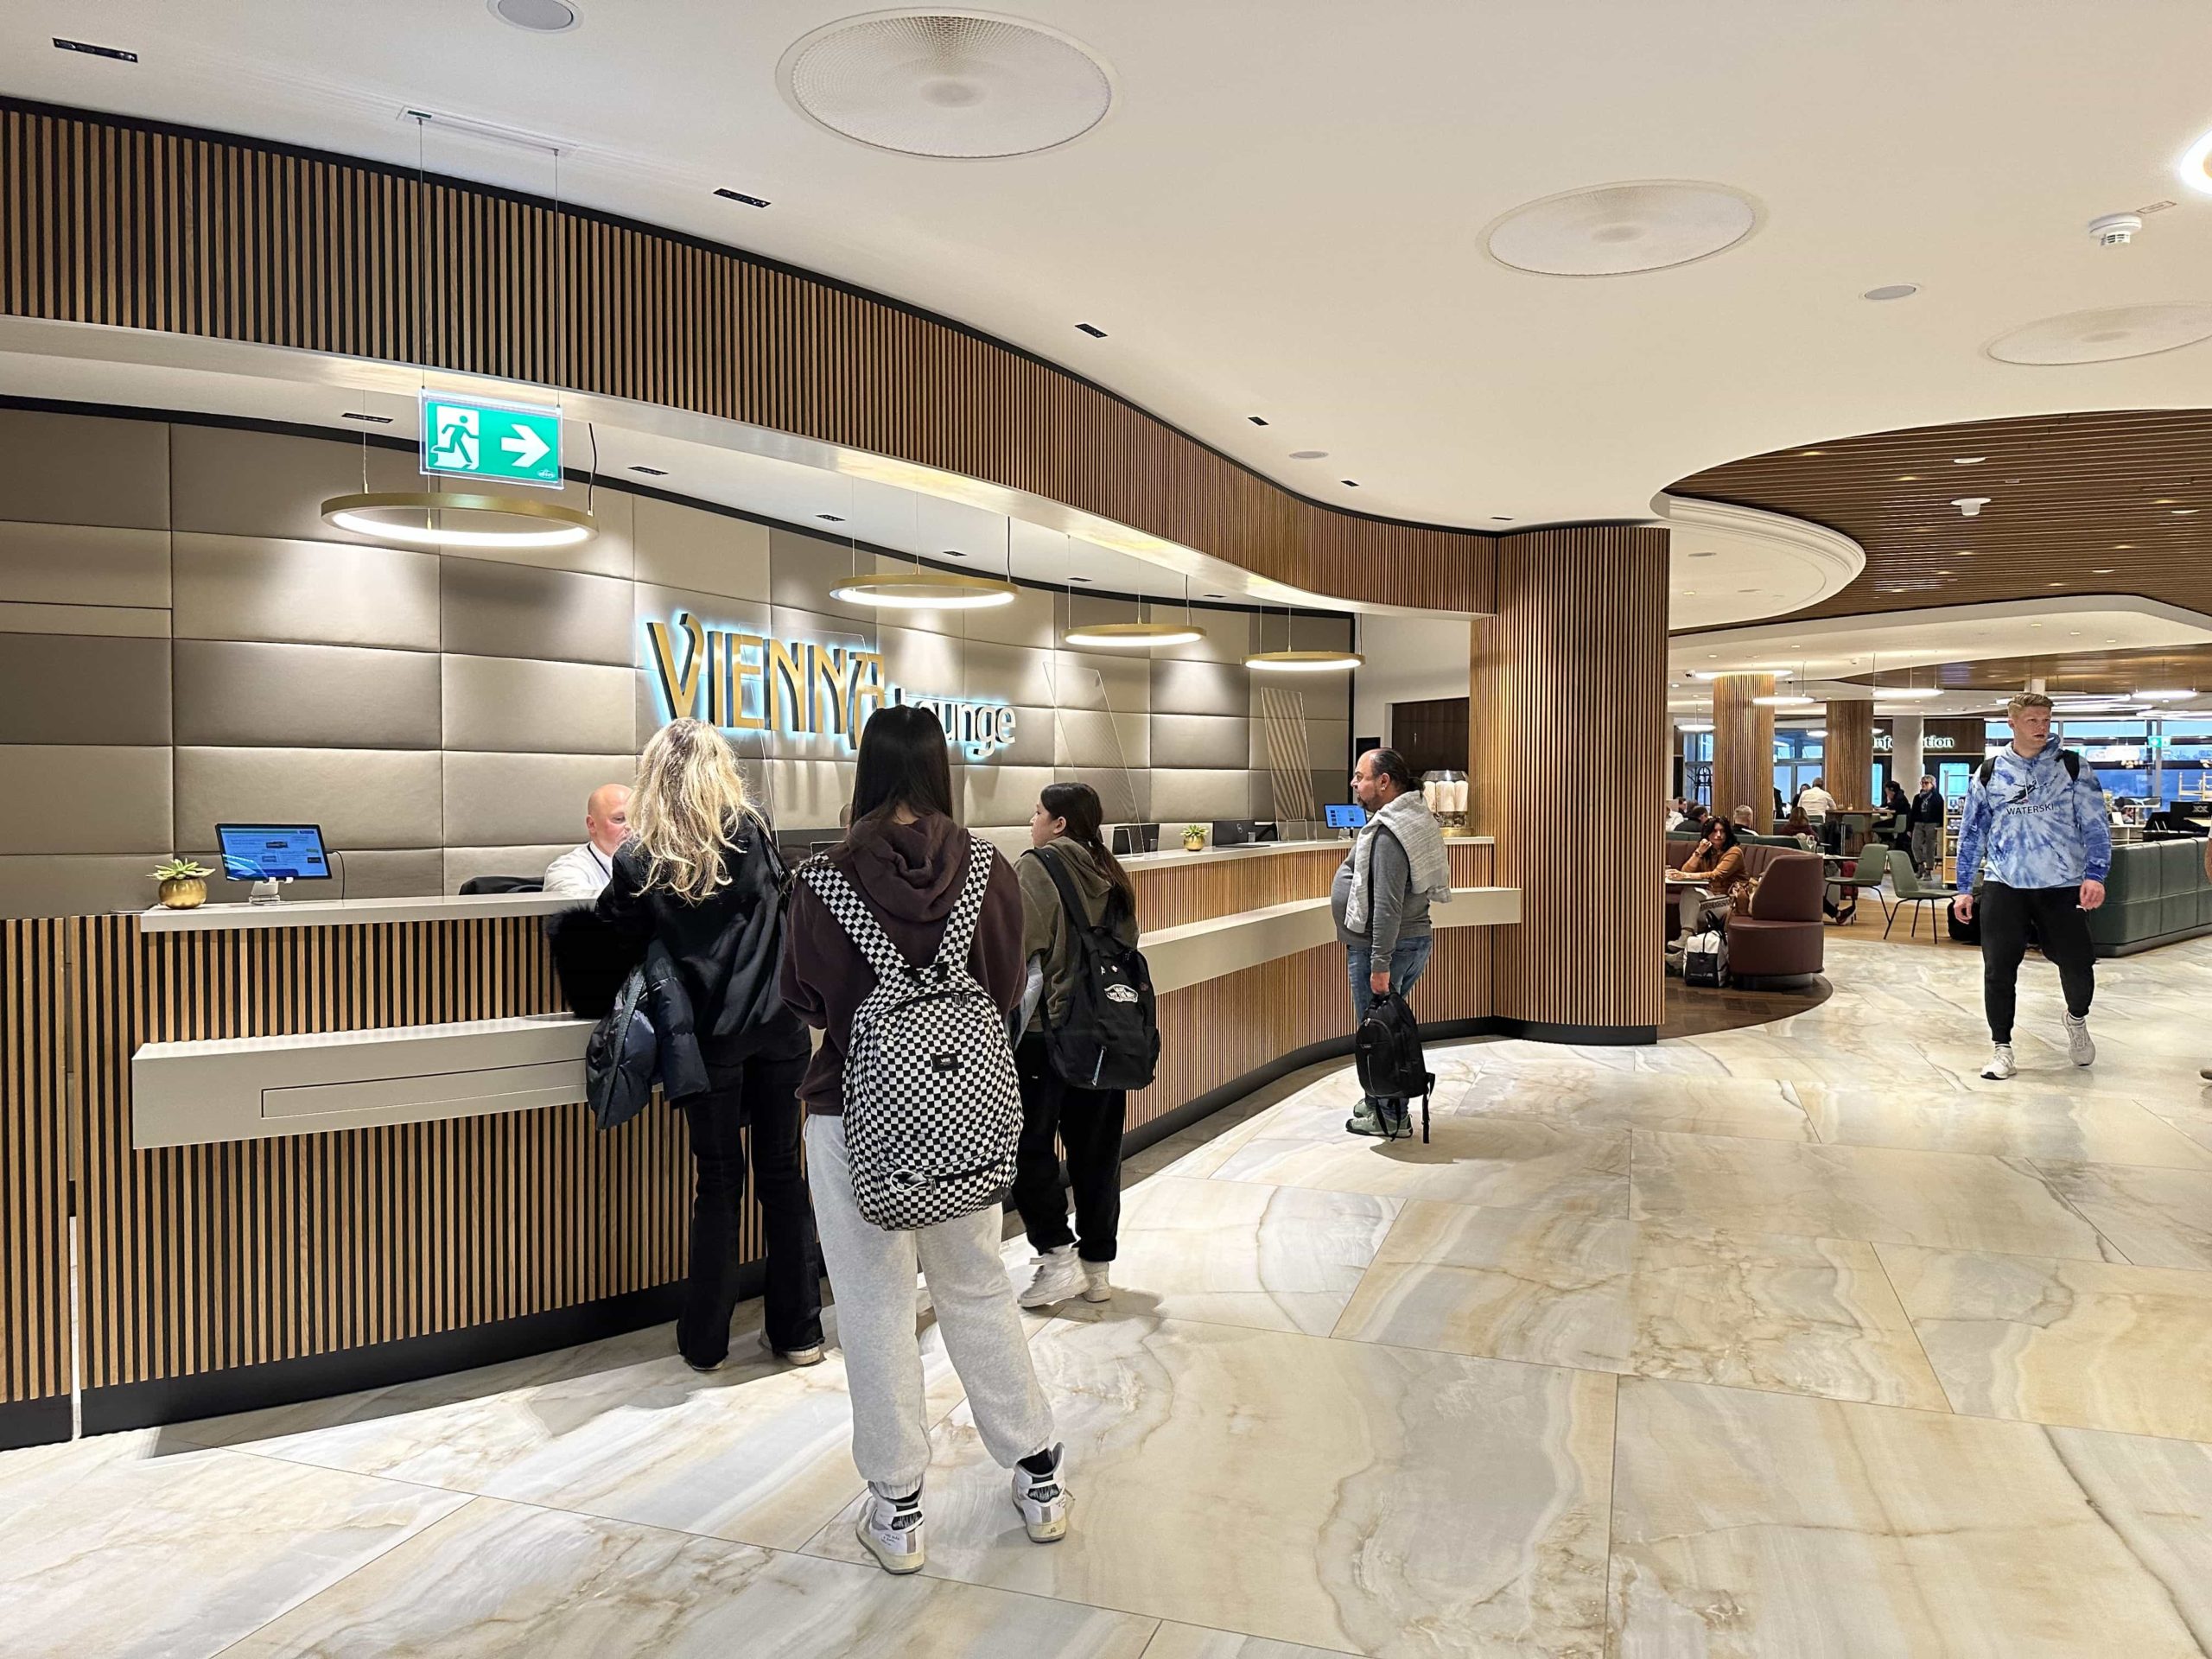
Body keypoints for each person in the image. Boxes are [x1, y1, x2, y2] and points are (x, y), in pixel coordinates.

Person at [780, 703, 1068, 1576]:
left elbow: (806, 1002)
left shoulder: (820, 879)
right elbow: (1009, 982)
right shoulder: (992, 869)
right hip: (966, 1115)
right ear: (943, 770)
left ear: (863, 770)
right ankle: (1038, 1477)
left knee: (872, 1302)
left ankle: (899, 1508)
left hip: (852, 1116)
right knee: (978, 1285)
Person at [594, 723, 819, 1372]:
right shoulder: (749, 831)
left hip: (707, 1041)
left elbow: (616, 937)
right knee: (782, 1177)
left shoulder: (638, 859)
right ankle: (799, 1331)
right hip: (779, 1031)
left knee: (717, 1183)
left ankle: (706, 1343)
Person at [1011, 782, 1140, 1311]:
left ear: (1060, 823)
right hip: (1107, 1033)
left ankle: (1057, 1254)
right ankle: (1097, 1267)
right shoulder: (1112, 872)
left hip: (1048, 1034)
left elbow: (1021, 945)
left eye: (1039, 812)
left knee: (1025, 1147)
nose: (1033, 820)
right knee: (1097, 1152)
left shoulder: (1037, 867)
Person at [1951, 692, 2110, 1081]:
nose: (2041, 728)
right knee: (1998, 968)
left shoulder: (2072, 767)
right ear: (2013, 723)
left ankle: (2076, 1019)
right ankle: (2001, 1048)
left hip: (2062, 884)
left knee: (2077, 965)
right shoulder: (1989, 772)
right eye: (2033, 720)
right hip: (2005, 883)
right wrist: (1964, 887)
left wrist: (2096, 875)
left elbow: (2095, 825)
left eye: (2046, 720)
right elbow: (1973, 832)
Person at [1333, 747, 1452, 1138]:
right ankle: (1380, 1101)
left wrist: (1379, 964)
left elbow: (1386, 904)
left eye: (1360, 776)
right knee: (1388, 1027)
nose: (1354, 783)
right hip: (1409, 941)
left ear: (1384, 782)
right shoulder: (1413, 816)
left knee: (1380, 1034)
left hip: (1385, 947)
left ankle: (1390, 1116)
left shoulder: (1389, 832)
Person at [543, 783, 632, 899]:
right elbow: (582, 909)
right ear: (592, 824)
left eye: (637, 819)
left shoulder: (655, 865)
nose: (631, 827)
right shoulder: (566, 870)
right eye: (619, 819)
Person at [1675, 817, 1751, 939]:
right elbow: (1686, 871)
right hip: (1713, 895)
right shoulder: (1707, 852)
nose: (1719, 835)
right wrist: (1699, 853)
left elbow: (1717, 875)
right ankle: (1687, 939)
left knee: (1691, 910)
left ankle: (1686, 943)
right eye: (1714, 831)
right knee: (1688, 893)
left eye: (1723, 831)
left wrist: (1685, 875)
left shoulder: (1734, 852)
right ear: (1707, 834)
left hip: (1731, 899)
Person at [1909, 774, 1946, 878]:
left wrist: (1940, 825)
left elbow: (1941, 811)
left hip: (1931, 823)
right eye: (1922, 783)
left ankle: (1929, 870)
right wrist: (1909, 827)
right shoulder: (1917, 798)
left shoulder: (1937, 797)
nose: (1924, 785)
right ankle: (1920, 865)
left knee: (1929, 848)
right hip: (1918, 823)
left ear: (1932, 785)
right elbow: (1913, 813)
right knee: (1915, 846)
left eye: (1926, 783)